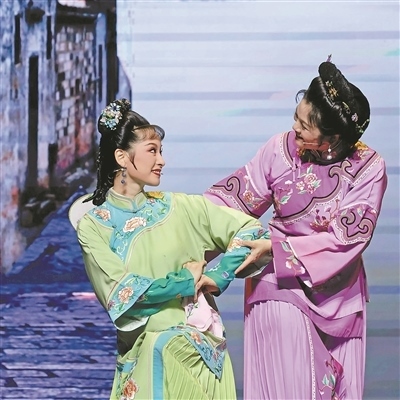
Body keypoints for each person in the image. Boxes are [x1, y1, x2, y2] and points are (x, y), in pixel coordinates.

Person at [201, 58, 388, 399]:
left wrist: (276, 249)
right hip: (277, 281)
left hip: (338, 295)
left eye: (305, 125)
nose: (294, 128)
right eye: (296, 117)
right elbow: (232, 201)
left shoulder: (368, 167)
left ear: (333, 137)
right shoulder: (279, 148)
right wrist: (182, 224)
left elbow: (347, 239)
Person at [70, 98, 271, 400]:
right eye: (152, 150)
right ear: (122, 157)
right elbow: (123, 293)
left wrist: (218, 276)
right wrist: (186, 280)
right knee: (158, 349)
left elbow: (251, 230)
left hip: (197, 351)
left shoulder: (181, 206)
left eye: (161, 151)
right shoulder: (95, 225)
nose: (162, 160)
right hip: (143, 354)